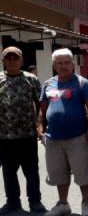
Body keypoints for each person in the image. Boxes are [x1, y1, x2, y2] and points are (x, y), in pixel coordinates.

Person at [38, 48, 88, 216]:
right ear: (54, 65)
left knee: (82, 173)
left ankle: (86, 203)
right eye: (59, 63)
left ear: (72, 64)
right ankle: (63, 204)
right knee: (58, 174)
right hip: (53, 138)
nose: (63, 66)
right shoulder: (48, 84)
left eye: (66, 62)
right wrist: (40, 131)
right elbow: (43, 110)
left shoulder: (82, 84)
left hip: (77, 137)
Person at [0, 46, 46, 215]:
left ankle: (35, 201)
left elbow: (42, 104)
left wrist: (40, 126)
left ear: (21, 60)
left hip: (27, 135)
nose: (12, 60)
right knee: (8, 172)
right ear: (3, 61)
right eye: (8, 58)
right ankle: (12, 202)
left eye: (15, 58)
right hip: (4, 136)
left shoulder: (31, 79)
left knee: (31, 171)